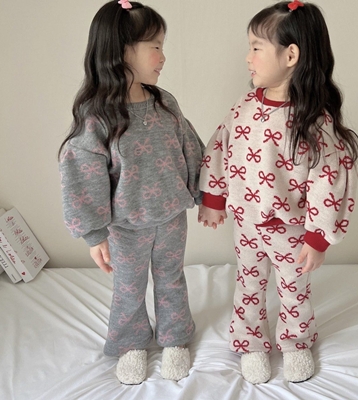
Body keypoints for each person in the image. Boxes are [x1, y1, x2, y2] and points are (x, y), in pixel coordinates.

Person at [198, 0, 358, 384]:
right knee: (248, 284)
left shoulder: (313, 120)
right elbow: (221, 145)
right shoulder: (244, 107)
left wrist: (318, 236)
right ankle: (251, 343)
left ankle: (296, 342)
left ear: (290, 55)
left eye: (256, 47)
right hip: (246, 223)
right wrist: (214, 198)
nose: (248, 57)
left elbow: (329, 179)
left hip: (291, 230)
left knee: (293, 289)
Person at [59, 0, 204, 385]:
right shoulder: (98, 115)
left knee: (171, 278)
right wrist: (94, 234)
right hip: (126, 227)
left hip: (172, 217)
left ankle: (175, 337)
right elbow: (82, 173)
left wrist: (206, 194)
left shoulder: (165, 103)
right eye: (155, 46)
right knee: (129, 288)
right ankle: (132, 342)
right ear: (124, 50)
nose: (163, 56)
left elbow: (190, 147)